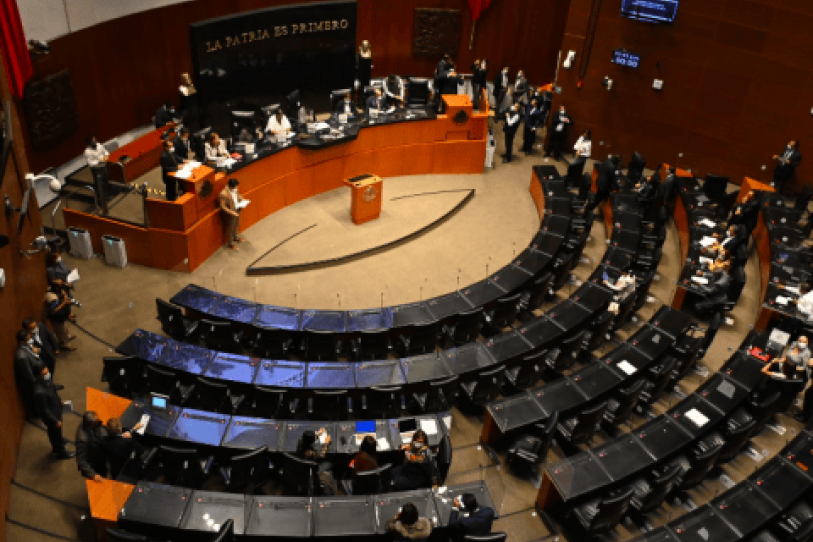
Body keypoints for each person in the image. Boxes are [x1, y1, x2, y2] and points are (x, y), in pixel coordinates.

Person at [32, 366, 75, 459]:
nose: (47, 374)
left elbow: (53, 392)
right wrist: (55, 421)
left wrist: (60, 402)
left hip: (56, 410)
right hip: (51, 417)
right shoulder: (39, 392)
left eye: (47, 371)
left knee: (57, 432)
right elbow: (44, 410)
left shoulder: (46, 380)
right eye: (44, 373)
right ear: (38, 376)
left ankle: (59, 441)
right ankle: (61, 452)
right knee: (54, 433)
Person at [15, 329, 48, 417]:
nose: (30, 340)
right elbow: (28, 375)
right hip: (35, 382)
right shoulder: (21, 357)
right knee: (37, 399)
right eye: (28, 339)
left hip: (40, 376)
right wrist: (38, 383)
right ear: (22, 341)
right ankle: (38, 414)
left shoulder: (26, 347)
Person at [297, 429, 337, 495]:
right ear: (311, 441)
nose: (316, 438)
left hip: (301, 466)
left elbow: (307, 438)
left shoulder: (300, 442)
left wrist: (318, 433)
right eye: (314, 438)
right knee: (330, 463)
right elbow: (322, 455)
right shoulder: (309, 453)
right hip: (311, 469)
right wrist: (326, 443)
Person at [76, 411, 109, 482]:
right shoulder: (82, 439)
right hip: (93, 464)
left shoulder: (91, 424)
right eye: (97, 421)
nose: (100, 420)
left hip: (100, 457)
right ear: (91, 425)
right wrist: (93, 474)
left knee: (104, 472)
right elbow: (81, 460)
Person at [44, 279, 77, 348]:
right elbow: (54, 310)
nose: (62, 286)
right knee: (60, 331)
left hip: (61, 314)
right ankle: (65, 345)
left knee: (64, 327)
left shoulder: (54, 289)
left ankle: (68, 336)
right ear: (56, 287)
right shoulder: (52, 298)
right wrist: (64, 303)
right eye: (61, 285)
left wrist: (64, 295)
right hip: (55, 317)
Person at [219, 178, 245, 250]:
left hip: (237, 209)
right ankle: (230, 244)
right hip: (231, 214)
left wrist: (242, 199)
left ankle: (236, 237)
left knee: (236, 225)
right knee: (230, 229)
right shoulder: (223, 193)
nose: (237, 188)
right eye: (235, 186)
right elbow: (222, 206)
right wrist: (231, 212)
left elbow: (237, 195)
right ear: (230, 186)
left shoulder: (234, 189)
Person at [84, 136, 109, 208]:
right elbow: (90, 163)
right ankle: (100, 201)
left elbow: (105, 151)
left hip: (103, 167)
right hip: (96, 169)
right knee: (98, 185)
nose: (95, 142)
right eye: (93, 141)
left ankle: (107, 196)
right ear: (89, 143)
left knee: (105, 181)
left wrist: (106, 156)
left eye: (95, 140)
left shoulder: (99, 145)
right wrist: (99, 161)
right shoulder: (87, 152)